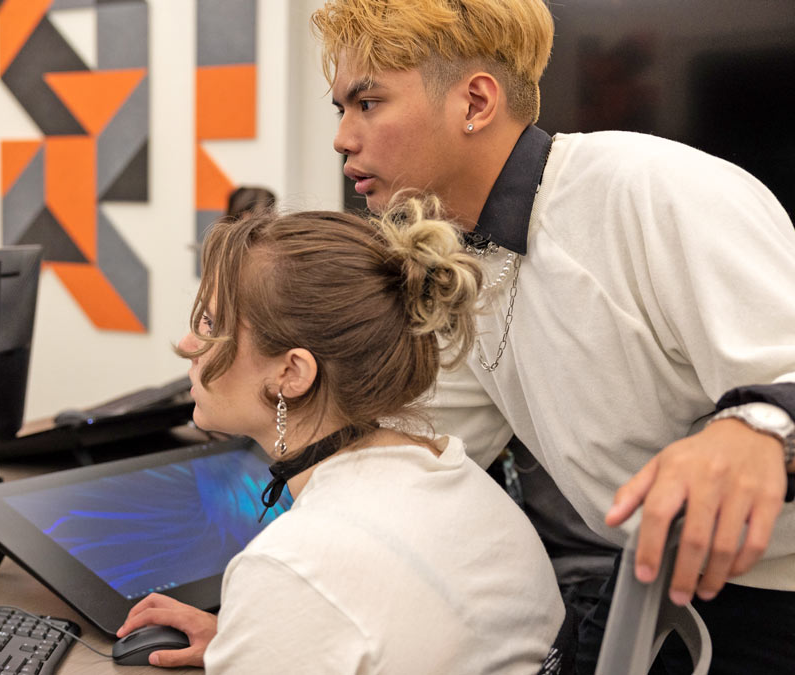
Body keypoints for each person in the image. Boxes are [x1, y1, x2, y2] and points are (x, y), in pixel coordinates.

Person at [311, 0, 795, 671]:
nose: (342, 137)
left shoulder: (652, 189)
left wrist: (754, 427)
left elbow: (784, 374)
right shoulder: (464, 258)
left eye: (366, 103)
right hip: (660, 592)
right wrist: (274, 614)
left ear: (475, 101)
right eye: (341, 108)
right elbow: (409, 459)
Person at [117, 201, 565, 672]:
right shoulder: (461, 479)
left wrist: (275, 617)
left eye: (210, 324)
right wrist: (261, 639)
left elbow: (328, 593)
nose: (189, 345)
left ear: (292, 373)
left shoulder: (293, 569)